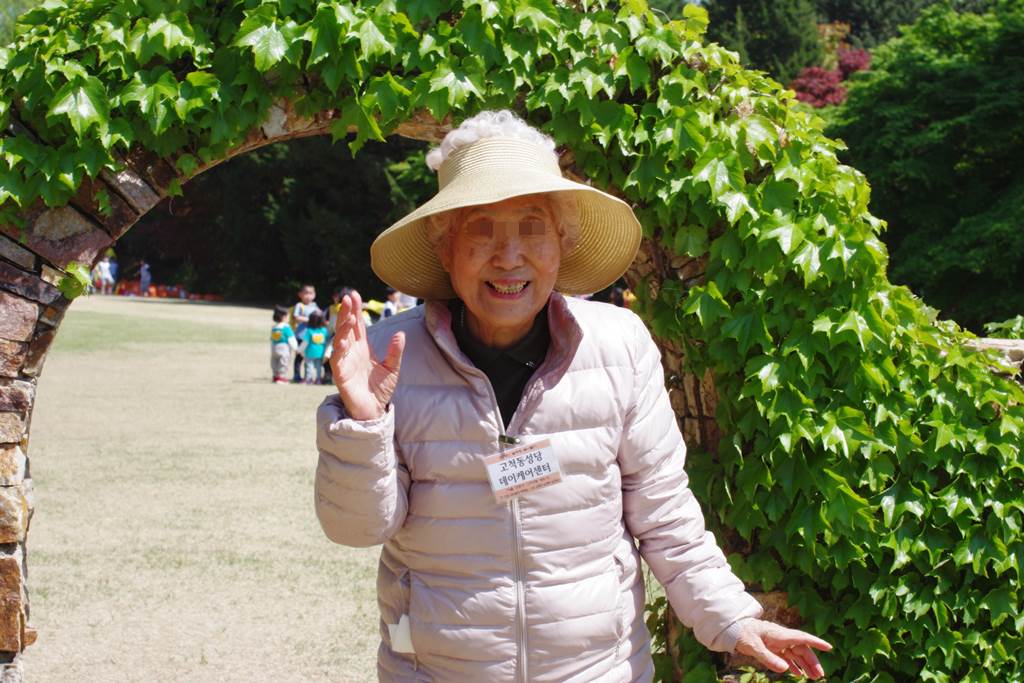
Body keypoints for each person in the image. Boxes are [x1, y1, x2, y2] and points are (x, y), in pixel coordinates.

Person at [315, 110, 832, 682]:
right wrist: (363, 421)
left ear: (562, 243)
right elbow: (357, 528)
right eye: (481, 228)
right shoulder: (390, 357)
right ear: (444, 248)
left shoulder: (619, 345)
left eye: (532, 227)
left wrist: (734, 620)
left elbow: (664, 513)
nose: (508, 256)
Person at [290, 284, 320, 383]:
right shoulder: (299, 305)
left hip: (311, 337)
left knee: (309, 357)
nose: (308, 296)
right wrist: (310, 320)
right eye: (306, 293)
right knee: (299, 357)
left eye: (311, 293)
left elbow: (320, 316)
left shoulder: (315, 306)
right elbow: (296, 317)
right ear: (300, 294)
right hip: (300, 336)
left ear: (314, 295)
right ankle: (297, 376)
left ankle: (308, 377)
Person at [299, 311, 329, 385]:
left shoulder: (309, 331)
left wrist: (299, 350)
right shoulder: (324, 331)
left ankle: (309, 379)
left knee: (309, 366)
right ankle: (318, 379)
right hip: (320, 353)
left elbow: (305, 343)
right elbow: (326, 342)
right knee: (319, 367)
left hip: (309, 353)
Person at [270, 305, 297, 384]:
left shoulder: (274, 327)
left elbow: (272, 339)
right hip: (284, 348)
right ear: (284, 317)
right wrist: (296, 348)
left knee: (275, 362)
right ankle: (281, 377)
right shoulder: (286, 327)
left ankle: (275, 376)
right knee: (283, 363)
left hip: (274, 348)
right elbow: (291, 339)